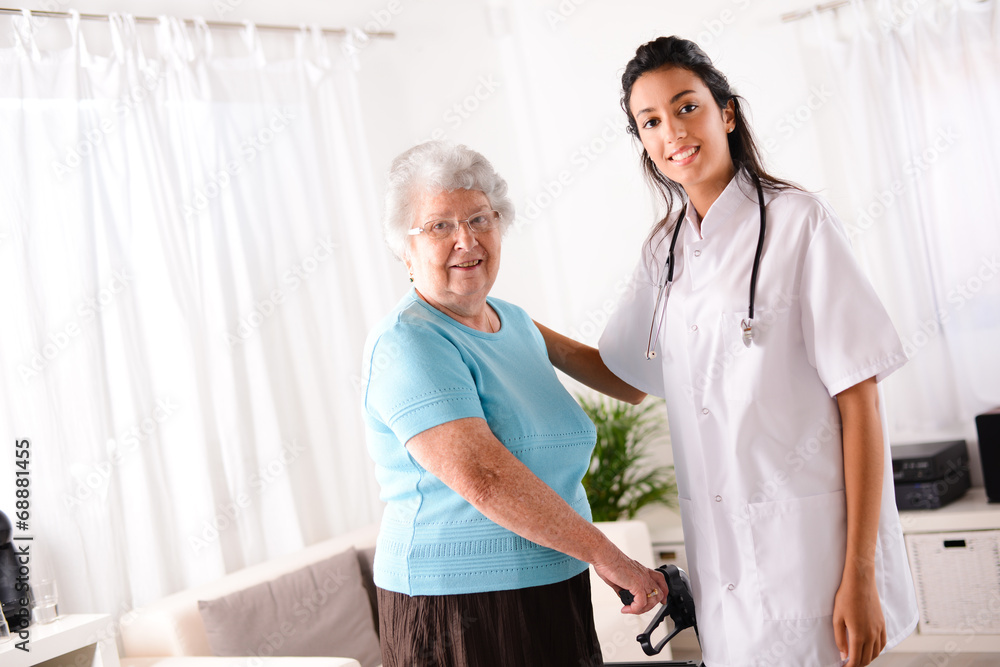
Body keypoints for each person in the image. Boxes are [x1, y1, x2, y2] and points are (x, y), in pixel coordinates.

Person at [536, 36, 918, 667]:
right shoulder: (663, 250)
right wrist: (519, 328)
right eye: (650, 122)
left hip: (815, 562)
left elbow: (860, 400)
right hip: (723, 572)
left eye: (686, 107)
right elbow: (629, 378)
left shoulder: (799, 223)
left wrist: (860, 573)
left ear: (727, 113)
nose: (672, 132)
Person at [360, 140, 666, 667]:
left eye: (480, 218)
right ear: (404, 249)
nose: (466, 239)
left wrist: (673, 284)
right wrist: (610, 557)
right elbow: (484, 478)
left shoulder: (513, 321)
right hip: (457, 599)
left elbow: (629, 382)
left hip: (553, 579)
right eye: (439, 226)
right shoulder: (409, 341)